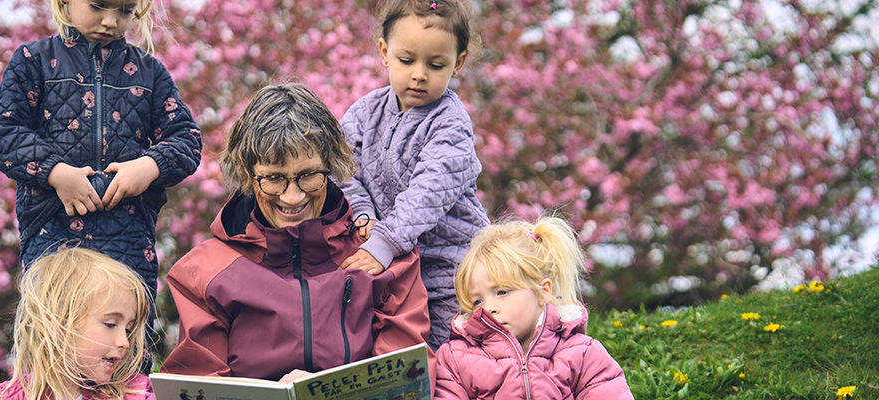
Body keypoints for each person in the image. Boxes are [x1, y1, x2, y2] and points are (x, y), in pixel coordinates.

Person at [161, 83, 432, 381]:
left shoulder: (380, 254)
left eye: (308, 175)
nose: (293, 197)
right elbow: (200, 383)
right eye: (274, 179)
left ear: (331, 166)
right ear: (248, 177)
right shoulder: (202, 272)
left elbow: (405, 375)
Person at [0, 0, 202, 360]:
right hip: (53, 232)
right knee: (54, 341)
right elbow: (2, 132)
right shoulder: (33, 60)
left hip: (128, 234)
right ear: (65, 2)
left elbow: (187, 140)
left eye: (126, 11)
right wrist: (57, 173)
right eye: (99, 6)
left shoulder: (149, 72)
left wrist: (147, 166)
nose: (111, 21)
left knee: (125, 346)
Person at [337, 0, 490, 351]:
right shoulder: (365, 112)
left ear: (458, 64)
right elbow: (342, 169)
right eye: (407, 60)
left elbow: (429, 191)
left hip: (451, 269)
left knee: (450, 353)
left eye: (436, 65)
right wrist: (363, 214)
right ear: (384, 52)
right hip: (395, 264)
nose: (419, 74)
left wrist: (386, 241)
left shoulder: (450, 123)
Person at [433, 219, 634, 399]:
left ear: (543, 292)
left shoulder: (582, 353)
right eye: (477, 301)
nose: (489, 308)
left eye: (502, 292)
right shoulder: (456, 359)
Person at [0, 247, 155, 400]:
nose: (124, 342)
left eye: (128, 330)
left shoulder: (140, 393)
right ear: (56, 322)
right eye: (110, 324)